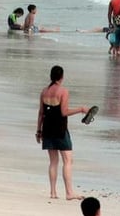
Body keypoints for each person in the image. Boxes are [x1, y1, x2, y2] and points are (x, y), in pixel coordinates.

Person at [36, 65, 89, 200]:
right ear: (62, 77)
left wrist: (38, 130)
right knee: (68, 161)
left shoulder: (44, 92)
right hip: (60, 129)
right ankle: (69, 193)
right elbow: (64, 112)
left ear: (51, 76)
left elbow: (41, 113)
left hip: (47, 128)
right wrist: (81, 109)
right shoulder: (63, 91)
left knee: (53, 162)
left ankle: (53, 193)